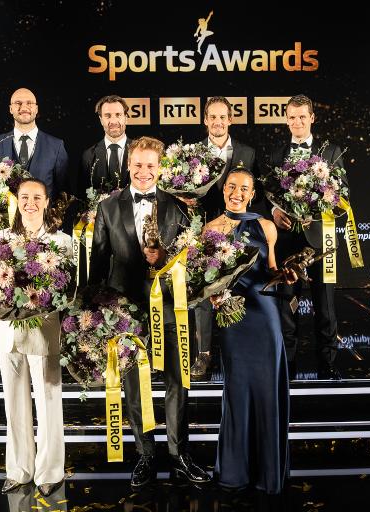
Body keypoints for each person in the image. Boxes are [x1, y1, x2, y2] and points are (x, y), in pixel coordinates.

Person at [89, 136, 211, 490]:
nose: (144, 172)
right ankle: (146, 455)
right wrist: (96, 314)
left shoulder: (178, 206)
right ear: (128, 164)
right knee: (134, 387)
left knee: (177, 382)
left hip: (170, 308)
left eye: (151, 166)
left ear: (161, 168)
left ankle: (179, 454)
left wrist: (167, 258)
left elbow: (192, 260)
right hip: (125, 312)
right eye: (138, 165)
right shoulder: (107, 208)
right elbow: (98, 264)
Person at [205, 166, 295, 494]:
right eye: (232, 186)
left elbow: (271, 269)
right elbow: (205, 279)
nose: (237, 193)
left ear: (253, 194)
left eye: (244, 188)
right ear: (223, 189)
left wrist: (285, 276)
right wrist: (213, 296)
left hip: (264, 315)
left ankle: (267, 474)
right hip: (234, 318)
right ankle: (235, 472)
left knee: (267, 390)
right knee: (237, 390)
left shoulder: (266, 226)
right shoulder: (209, 229)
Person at [0, 178, 71, 497]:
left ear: (47, 202)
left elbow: (66, 291)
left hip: (44, 332)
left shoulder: (62, 242)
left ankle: (50, 472)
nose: (30, 203)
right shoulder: (1, 238)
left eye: (37, 197)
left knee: (49, 402)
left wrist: (40, 298)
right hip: (9, 333)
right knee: (13, 404)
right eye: (24, 197)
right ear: (17, 200)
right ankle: (18, 470)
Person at [261, 94, 348, 380]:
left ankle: (328, 364)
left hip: (321, 240)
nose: (297, 122)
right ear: (286, 120)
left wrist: (321, 208)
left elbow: (344, 196)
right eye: (292, 117)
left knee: (325, 307)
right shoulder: (276, 153)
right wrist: (274, 212)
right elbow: (266, 195)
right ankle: (287, 365)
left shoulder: (331, 152)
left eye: (302, 116)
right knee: (287, 306)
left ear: (312, 118)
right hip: (287, 240)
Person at [189, 96, 258, 379]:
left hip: (238, 230)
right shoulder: (192, 154)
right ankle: (203, 354)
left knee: (237, 287)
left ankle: (238, 351)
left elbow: (256, 193)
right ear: (205, 120)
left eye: (222, 117)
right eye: (212, 117)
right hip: (205, 228)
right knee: (203, 289)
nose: (217, 122)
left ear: (230, 119)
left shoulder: (248, 153)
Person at [0, 88, 69, 202]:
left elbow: (64, 193)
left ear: (36, 109)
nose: (24, 108)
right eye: (18, 103)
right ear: (10, 109)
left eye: (29, 103)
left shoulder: (56, 146)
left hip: (44, 214)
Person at [79, 95, 132, 199]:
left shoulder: (140, 151)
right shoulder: (88, 156)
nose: (113, 121)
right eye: (108, 116)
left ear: (126, 118)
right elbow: (81, 198)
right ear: (101, 120)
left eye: (118, 115)